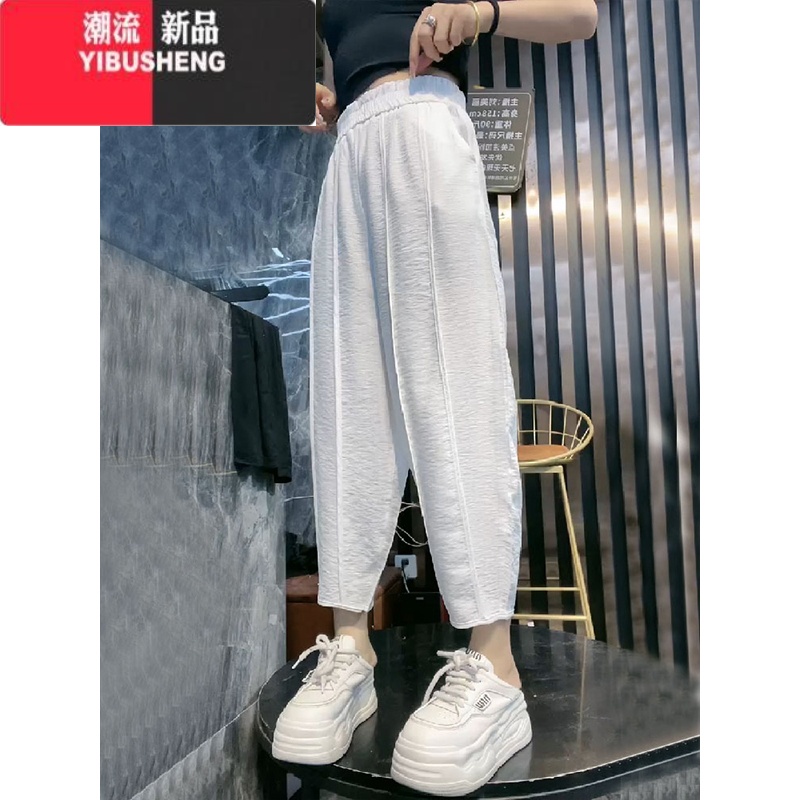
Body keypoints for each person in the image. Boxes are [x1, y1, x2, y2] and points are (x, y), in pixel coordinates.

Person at [273, 1, 598, 795]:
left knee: (455, 390)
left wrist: (481, 11)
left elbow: (580, 14)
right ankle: (350, 647)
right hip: (352, 148)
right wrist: (308, 89)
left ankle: (495, 666)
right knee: (350, 402)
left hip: (428, 117)